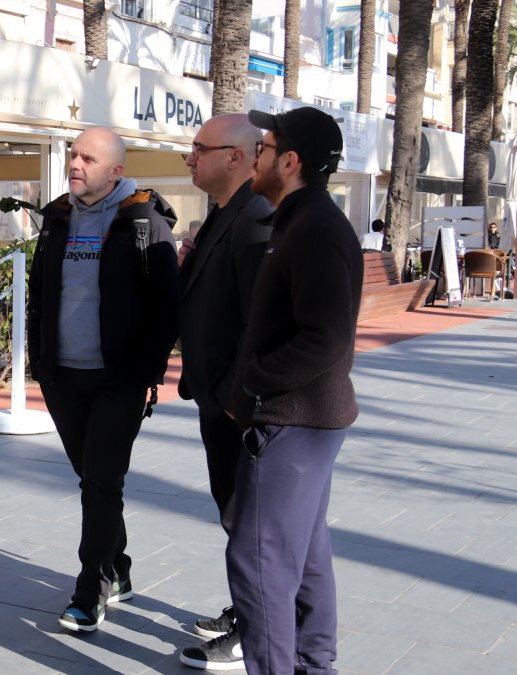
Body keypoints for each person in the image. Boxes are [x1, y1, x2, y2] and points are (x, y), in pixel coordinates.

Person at [26, 127, 180, 632]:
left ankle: (91, 588)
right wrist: (41, 363)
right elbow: (39, 296)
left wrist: (145, 371)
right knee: (92, 477)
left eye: (88, 158)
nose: (75, 163)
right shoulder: (57, 217)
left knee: (100, 478)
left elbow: (165, 307)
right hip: (63, 376)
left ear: (115, 170)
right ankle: (122, 568)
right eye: (73, 154)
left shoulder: (142, 219)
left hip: (118, 379)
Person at [227, 106, 362, 674]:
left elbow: (324, 338)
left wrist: (254, 379)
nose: (255, 154)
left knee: (259, 563)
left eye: (264, 146)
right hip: (303, 420)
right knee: (303, 555)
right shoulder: (301, 222)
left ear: (290, 160)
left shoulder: (313, 229)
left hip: (293, 421)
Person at [175, 113, 272, 670]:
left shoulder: (254, 217)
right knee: (234, 513)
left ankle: (254, 632)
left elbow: (256, 321)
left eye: (199, 148)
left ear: (236, 156)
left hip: (237, 405)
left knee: (247, 519)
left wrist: (237, 397)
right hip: (217, 397)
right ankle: (245, 611)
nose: (190, 157)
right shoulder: (224, 215)